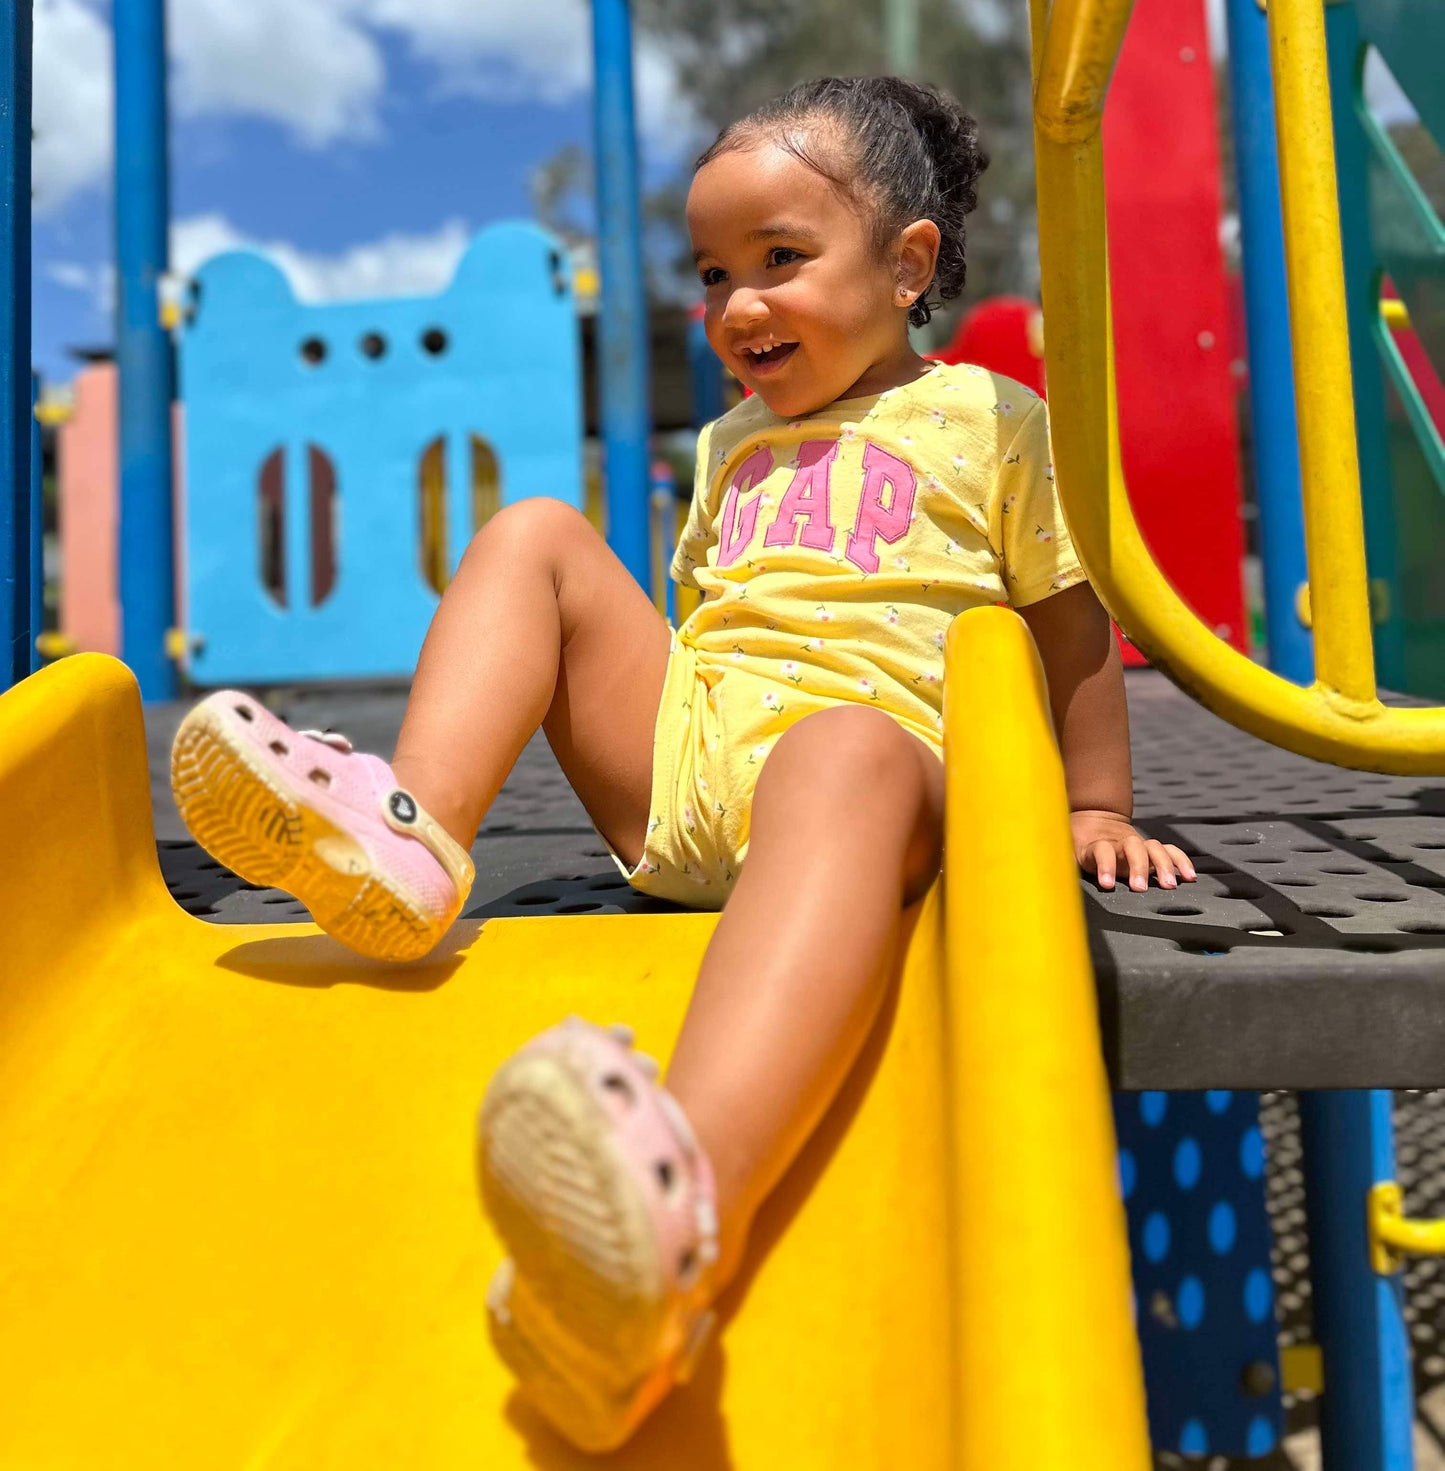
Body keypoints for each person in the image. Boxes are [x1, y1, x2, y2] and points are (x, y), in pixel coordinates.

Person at [171, 75, 1195, 1453]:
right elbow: (694, 634)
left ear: (906, 266)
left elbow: (1071, 624)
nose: (737, 305)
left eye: (780, 261)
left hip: (872, 792)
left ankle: (675, 1217)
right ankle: (410, 837)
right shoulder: (723, 448)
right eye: (713, 274)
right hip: (696, 775)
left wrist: (1088, 805)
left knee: (839, 751)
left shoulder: (989, 424)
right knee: (535, 529)